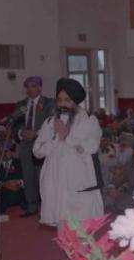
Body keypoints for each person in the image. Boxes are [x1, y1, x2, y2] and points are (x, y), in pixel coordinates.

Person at [33, 78, 104, 227]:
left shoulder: (90, 121)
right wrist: (55, 139)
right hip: (56, 181)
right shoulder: (49, 122)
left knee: (82, 228)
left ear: (76, 102)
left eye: (67, 100)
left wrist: (67, 137)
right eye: (59, 100)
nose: (62, 104)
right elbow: (37, 151)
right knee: (63, 230)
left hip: (79, 181)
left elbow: (91, 147)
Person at [12, 76, 55, 216]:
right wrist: (20, 133)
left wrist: (36, 134)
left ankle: (48, 205)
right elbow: (15, 126)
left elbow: (52, 124)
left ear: (40, 87)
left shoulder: (49, 103)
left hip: (42, 144)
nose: (29, 89)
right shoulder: (20, 105)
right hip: (25, 145)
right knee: (28, 175)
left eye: (33, 86)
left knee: (43, 175)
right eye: (27, 87)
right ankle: (32, 205)